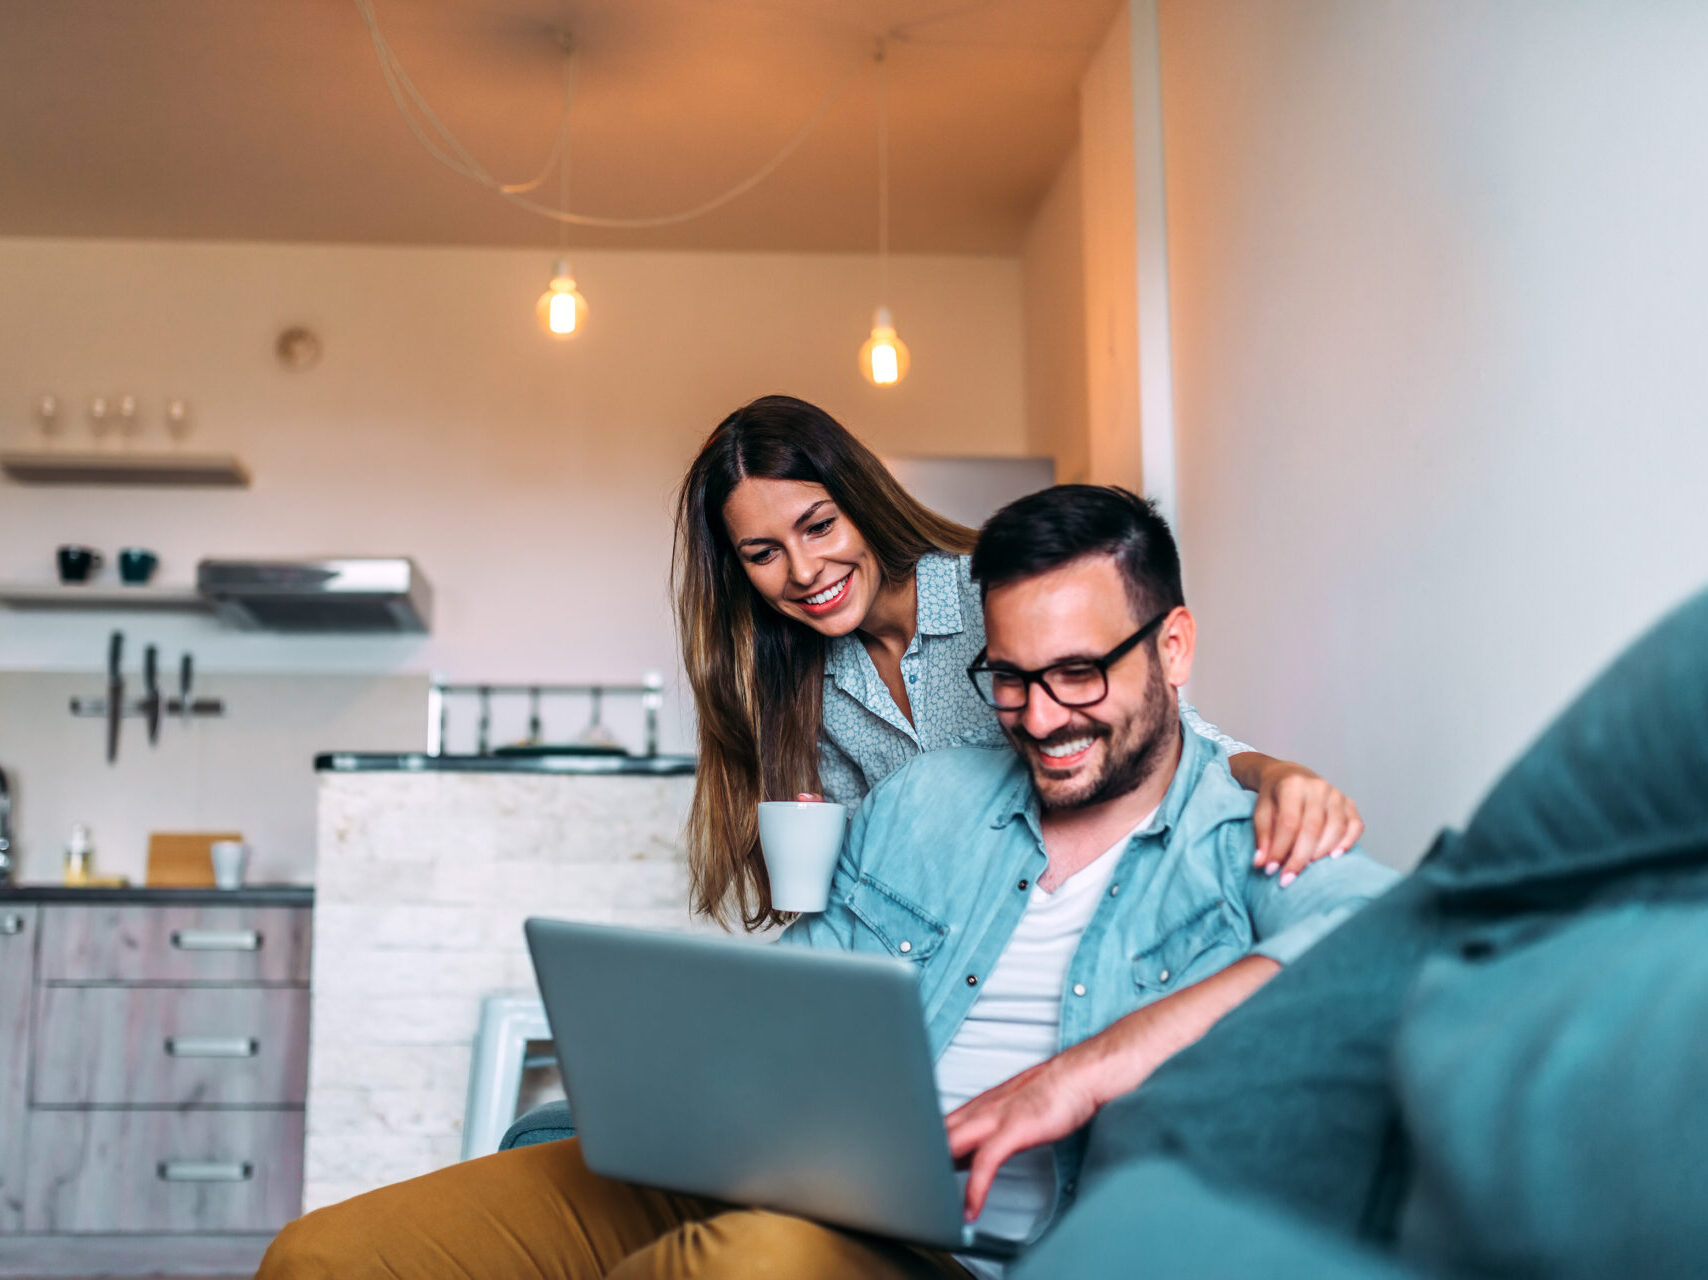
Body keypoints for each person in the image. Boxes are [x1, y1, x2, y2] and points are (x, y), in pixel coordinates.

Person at [256, 485, 1397, 1279]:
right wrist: (683, 1069)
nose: (1041, 719)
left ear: (1174, 645)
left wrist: (1073, 1078)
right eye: (1008, 679)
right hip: (795, 1183)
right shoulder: (924, 802)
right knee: (327, 1255)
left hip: (960, 1257)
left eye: (1078, 673)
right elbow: (808, 998)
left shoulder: (1252, 826)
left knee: (750, 1262)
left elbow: (1392, 939)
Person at [676, 394, 1366, 929]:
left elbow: (1163, 737)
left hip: (1086, 912)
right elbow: (863, 880)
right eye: (763, 553)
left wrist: (1276, 774)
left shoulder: (995, 598)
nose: (803, 570)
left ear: (860, 503)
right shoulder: (803, 684)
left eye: (819, 525)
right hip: (955, 959)